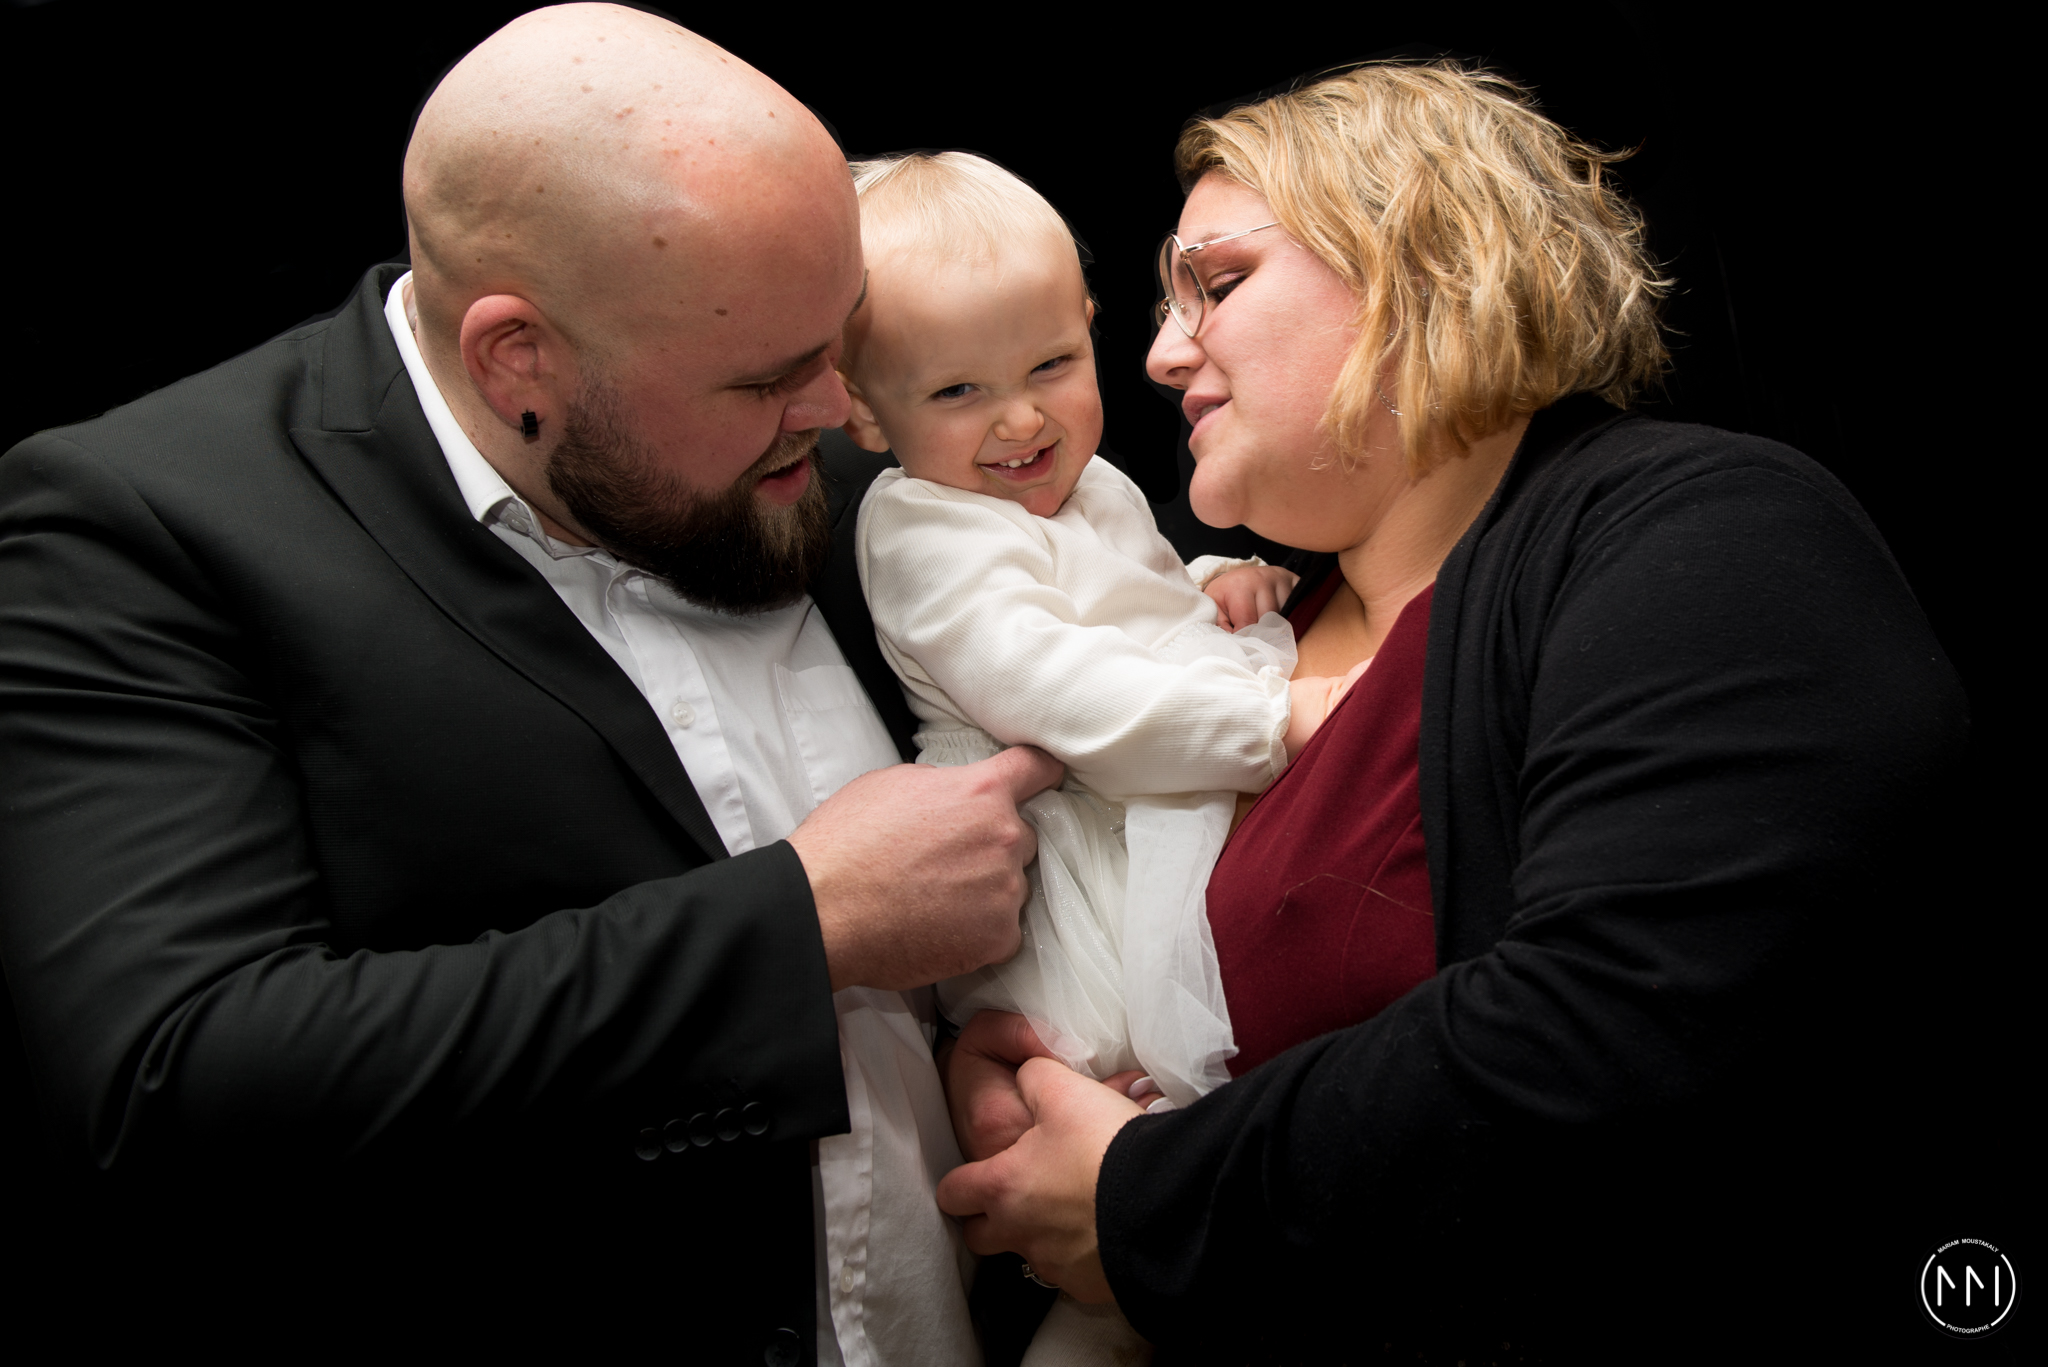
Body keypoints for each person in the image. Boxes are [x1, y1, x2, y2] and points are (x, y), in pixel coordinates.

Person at [0, 7, 1060, 1361]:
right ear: (518, 357)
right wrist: (802, 923)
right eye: (771, 377)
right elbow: (173, 1079)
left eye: (837, 339)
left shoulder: (838, 447)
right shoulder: (147, 527)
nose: (837, 407)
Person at [936, 62, 1967, 1359]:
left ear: (1425, 263)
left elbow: (1624, 1025)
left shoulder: (1704, 531)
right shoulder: (1239, 639)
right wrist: (1019, 1064)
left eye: (1219, 283)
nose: (1159, 352)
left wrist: (1144, 1193)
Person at [840, 150, 1352, 1365]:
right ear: (863, 413)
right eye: (957, 389)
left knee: (1177, 1178)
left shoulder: (1086, 486)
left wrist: (1211, 580)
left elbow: (1119, 604)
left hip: (1131, 805)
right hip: (1065, 874)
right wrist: (1267, 720)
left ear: (1087, 324)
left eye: (1049, 366)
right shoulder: (918, 526)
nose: (1020, 418)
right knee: (1136, 1111)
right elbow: (1060, 689)